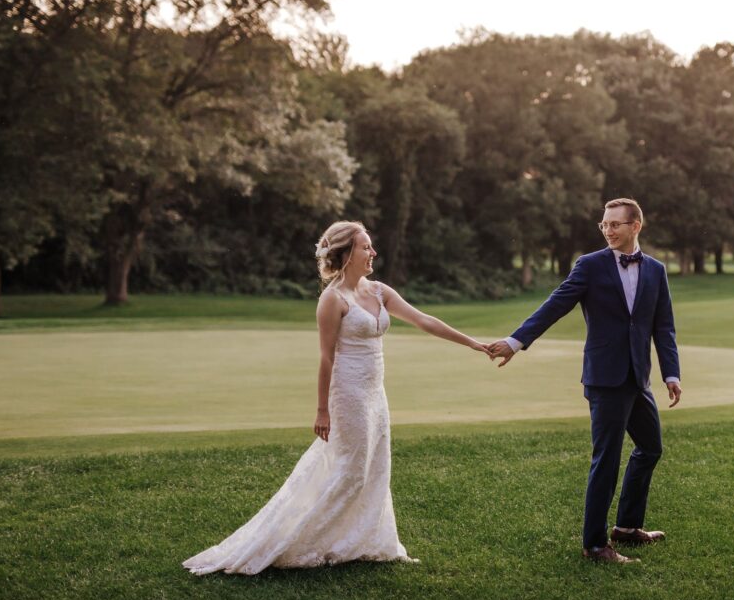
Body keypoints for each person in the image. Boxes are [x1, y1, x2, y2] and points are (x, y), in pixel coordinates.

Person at [183, 220, 489, 575]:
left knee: (376, 467)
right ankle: (305, 542)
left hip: (376, 393)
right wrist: (321, 410)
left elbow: (423, 320)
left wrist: (474, 343)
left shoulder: (378, 291)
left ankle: (366, 541)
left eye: (371, 247)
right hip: (349, 394)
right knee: (351, 471)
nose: (373, 253)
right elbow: (326, 357)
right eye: (366, 247)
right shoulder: (332, 299)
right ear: (346, 254)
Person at [487, 198, 681, 564]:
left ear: (635, 226)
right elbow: (555, 304)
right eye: (604, 225)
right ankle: (594, 545)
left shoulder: (655, 270)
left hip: (639, 377)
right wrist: (516, 342)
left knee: (651, 448)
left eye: (615, 225)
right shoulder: (590, 266)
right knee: (606, 459)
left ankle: (626, 528)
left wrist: (671, 373)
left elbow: (663, 325)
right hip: (605, 378)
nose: (608, 230)